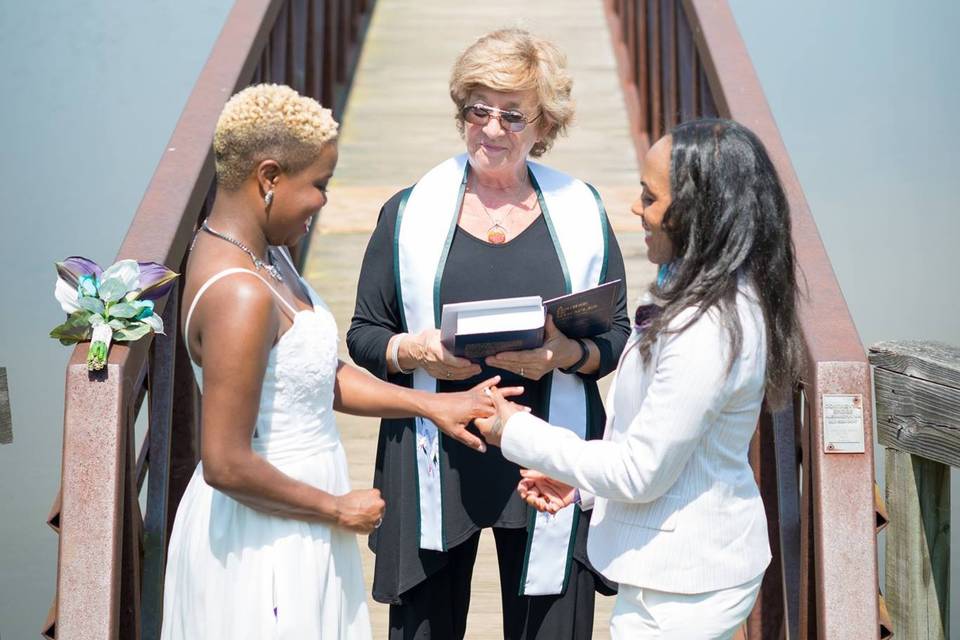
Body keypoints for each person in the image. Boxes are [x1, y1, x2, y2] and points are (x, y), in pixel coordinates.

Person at [160, 84, 510, 640]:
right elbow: (225, 462)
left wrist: (431, 406)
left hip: (298, 513)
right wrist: (335, 508)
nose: (324, 201)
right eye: (318, 184)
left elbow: (315, 372)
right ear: (269, 178)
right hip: (267, 530)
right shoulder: (241, 295)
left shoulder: (263, 253)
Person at [347, 29, 630, 640]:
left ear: (543, 125)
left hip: (550, 452)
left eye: (512, 115)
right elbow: (365, 335)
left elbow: (617, 334)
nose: (493, 129)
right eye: (478, 110)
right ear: (461, 113)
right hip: (436, 446)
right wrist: (416, 350)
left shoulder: (582, 210)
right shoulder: (407, 212)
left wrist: (564, 353)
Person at [475, 118, 805, 639]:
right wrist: (581, 483)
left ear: (700, 212)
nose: (636, 209)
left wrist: (516, 432)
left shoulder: (710, 326)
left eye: (650, 198)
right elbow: (660, 444)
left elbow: (640, 471)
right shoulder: (691, 289)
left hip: (685, 586)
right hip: (671, 573)